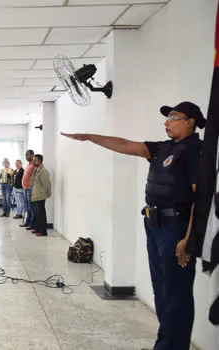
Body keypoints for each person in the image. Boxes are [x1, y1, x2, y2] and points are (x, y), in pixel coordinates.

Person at [62, 101, 205, 350]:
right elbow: (125, 145)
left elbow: (200, 199)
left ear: (191, 121)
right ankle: (166, 344)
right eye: (167, 118)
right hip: (155, 223)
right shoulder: (163, 148)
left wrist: (188, 239)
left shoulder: (196, 150)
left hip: (177, 227)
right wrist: (90, 137)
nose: (167, 122)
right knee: (161, 291)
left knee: (176, 294)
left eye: (173, 117)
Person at [29, 155, 51, 236]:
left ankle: (43, 231)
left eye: (35, 160)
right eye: (33, 160)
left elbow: (47, 184)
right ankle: (37, 228)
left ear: (39, 161)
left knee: (41, 214)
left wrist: (48, 194)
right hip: (35, 195)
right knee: (37, 213)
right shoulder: (37, 170)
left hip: (40, 195)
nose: (33, 162)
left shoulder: (43, 171)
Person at [20, 150, 36, 230]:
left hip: (30, 189)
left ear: (33, 155)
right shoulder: (29, 165)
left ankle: (32, 224)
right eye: (26, 155)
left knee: (31, 208)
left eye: (28, 155)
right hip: (25, 189)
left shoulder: (34, 164)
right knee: (27, 207)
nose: (26, 157)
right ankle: (27, 222)